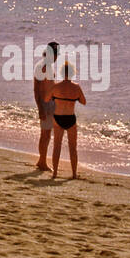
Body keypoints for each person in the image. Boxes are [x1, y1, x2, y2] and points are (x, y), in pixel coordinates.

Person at [48, 59, 86, 180]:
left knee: (57, 145)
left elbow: (47, 98)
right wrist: (74, 98)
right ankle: (74, 173)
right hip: (70, 118)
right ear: (72, 73)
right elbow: (84, 102)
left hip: (58, 117)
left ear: (61, 73)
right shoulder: (76, 87)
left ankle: (55, 173)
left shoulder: (56, 86)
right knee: (72, 147)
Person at [33, 41, 59, 170]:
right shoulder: (42, 66)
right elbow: (36, 89)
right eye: (56, 54)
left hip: (50, 104)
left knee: (46, 134)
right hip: (45, 104)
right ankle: (42, 161)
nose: (57, 57)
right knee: (45, 134)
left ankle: (41, 160)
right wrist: (41, 108)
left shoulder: (47, 65)